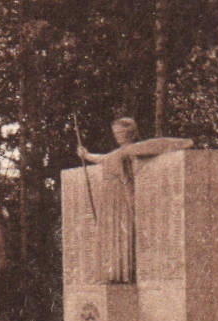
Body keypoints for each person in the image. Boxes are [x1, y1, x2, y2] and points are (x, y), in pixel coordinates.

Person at [77, 118, 192, 283]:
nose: (118, 136)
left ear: (130, 133)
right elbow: (103, 158)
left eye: (121, 132)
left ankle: (121, 273)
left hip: (120, 195)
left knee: (121, 231)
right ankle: (111, 272)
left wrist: (183, 143)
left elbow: (156, 145)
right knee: (110, 232)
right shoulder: (118, 153)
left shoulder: (131, 150)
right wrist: (86, 155)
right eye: (116, 133)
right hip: (109, 198)